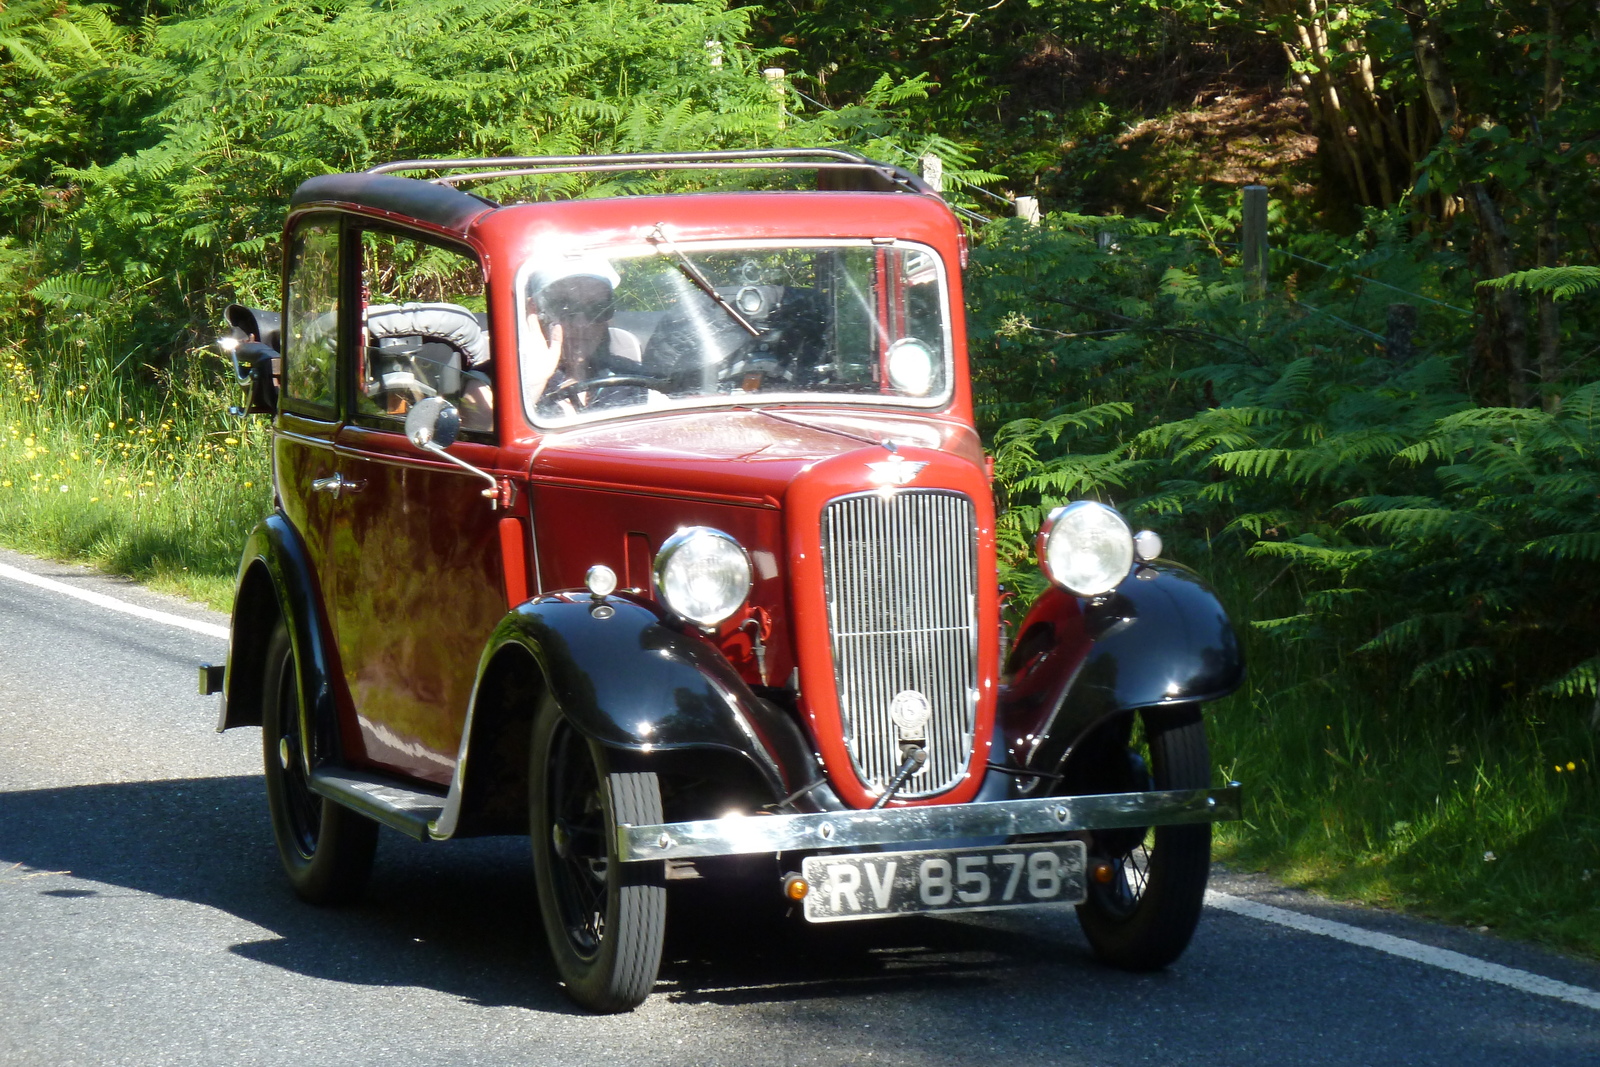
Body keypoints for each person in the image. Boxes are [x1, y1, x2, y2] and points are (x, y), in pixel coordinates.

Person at [523, 258, 645, 417]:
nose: (581, 324)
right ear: (534, 313)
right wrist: (530, 387)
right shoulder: (498, 382)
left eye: (596, 309)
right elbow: (488, 421)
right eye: (564, 307)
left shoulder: (634, 378)